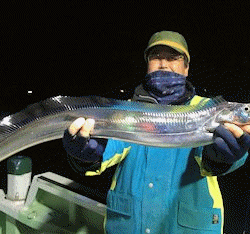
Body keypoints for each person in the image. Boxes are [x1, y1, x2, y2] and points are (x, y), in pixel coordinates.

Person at [62, 31, 250, 233]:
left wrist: (222, 157)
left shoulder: (206, 108)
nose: (163, 64)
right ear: (147, 65)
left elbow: (211, 157)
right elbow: (111, 147)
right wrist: (88, 152)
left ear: (186, 68)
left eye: (172, 58)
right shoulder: (129, 110)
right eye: (156, 57)